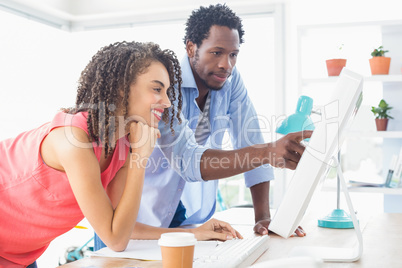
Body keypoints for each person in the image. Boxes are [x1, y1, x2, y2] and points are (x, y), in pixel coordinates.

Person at [0, 41, 241, 268]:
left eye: (167, 91)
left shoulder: (121, 143)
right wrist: (140, 157)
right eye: (157, 89)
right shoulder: (73, 140)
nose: (167, 102)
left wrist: (193, 234)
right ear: (121, 89)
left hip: (21, 254)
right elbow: (115, 239)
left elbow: (123, 229)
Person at [94, 4, 312, 250]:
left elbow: (250, 140)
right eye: (217, 52)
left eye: (233, 54)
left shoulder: (230, 81)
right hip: (131, 213)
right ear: (191, 48)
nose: (226, 65)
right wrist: (267, 152)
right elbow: (188, 160)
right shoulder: (165, 85)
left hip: (177, 210)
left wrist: (263, 216)